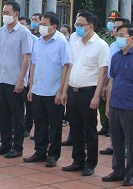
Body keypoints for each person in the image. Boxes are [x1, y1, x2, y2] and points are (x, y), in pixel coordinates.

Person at [58, 10, 110, 177]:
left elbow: (103, 72)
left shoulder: (101, 45)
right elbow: (71, 68)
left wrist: (96, 96)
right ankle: (77, 160)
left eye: (81, 25)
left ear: (91, 26)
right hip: (73, 91)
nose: (78, 28)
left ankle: (90, 162)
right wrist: (65, 90)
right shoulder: (76, 44)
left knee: (89, 129)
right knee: (75, 127)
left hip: (89, 92)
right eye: (77, 25)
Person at [103, 24, 133, 186]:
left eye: (122, 35)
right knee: (116, 140)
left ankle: (131, 173)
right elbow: (112, 80)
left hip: (131, 106)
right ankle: (118, 170)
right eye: (118, 34)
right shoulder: (116, 56)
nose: (118, 37)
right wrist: (108, 104)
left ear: (131, 38)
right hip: (116, 103)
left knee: (132, 142)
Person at [26, 12, 71, 168]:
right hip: (38, 89)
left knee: (55, 125)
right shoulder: (37, 41)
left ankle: (53, 154)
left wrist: (61, 91)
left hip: (54, 92)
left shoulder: (61, 42)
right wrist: (31, 87)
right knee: (39, 123)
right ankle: (40, 151)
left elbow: (66, 66)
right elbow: (33, 65)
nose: (41, 26)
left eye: (45, 24)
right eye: (41, 24)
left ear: (54, 26)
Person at [0, 1, 32, 158]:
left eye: (7, 12)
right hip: (2, 79)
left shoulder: (23, 33)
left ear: (16, 14)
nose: (4, 15)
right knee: (4, 115)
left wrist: (21, 80)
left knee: (17, 115)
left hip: (15, 80)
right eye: (3, 12)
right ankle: (5, 144)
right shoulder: (0, 32)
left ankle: (18, 146)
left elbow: (26, 57)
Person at [97, 10, 120, 139]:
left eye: (114, 22)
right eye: (110, 21)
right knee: (103, 101)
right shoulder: (106, 39)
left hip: (118, 80)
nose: (111, 25)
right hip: (107, 76)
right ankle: (105, 125)